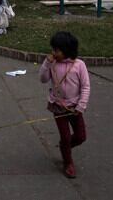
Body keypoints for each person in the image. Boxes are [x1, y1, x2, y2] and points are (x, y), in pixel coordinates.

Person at [39, 31, 90, 179]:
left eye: (56, 50)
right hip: (58, 105)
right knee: (66, 136)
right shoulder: (52, 63)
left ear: (67, 50)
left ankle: (64, 147)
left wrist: (81, 106)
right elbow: (42, 79)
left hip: (75, 107)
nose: (53, 53)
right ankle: (68, 163)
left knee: (80, 136)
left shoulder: (79, 65)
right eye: (53, 49)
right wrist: (46, 63)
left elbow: (85, 87)